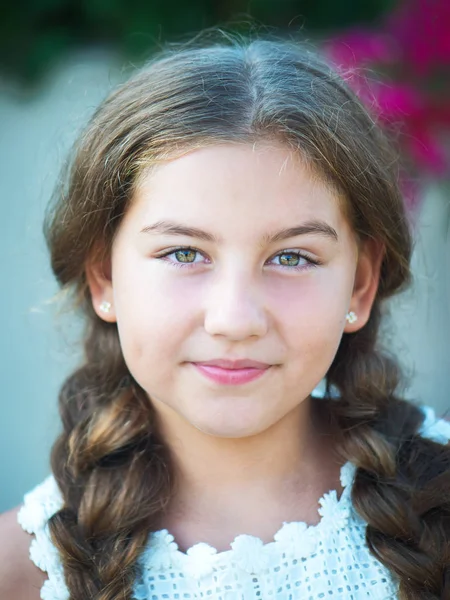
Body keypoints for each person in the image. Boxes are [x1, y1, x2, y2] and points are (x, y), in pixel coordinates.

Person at [0, 30, 449, 600]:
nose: (235, 320)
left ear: (359, 285)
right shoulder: (22, 569)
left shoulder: (439, 506)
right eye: (184, 253)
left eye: (292, 256)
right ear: (103, 278)